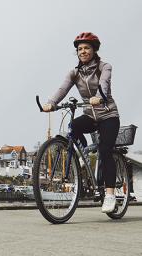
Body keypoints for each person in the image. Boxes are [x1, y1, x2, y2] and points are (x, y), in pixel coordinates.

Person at [42, 32, 120, 213]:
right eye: (79, 49)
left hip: (108, 115)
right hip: (90, 115)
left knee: (105, 151)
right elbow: (62, 88)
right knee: (74, 126)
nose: (83, 51)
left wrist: (99, 97)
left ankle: (109, 194)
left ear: (94, 50)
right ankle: (83, 152)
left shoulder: (104, 66)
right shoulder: (74, 72)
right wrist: (51, 103)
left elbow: (104, 83)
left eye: (86, 48)